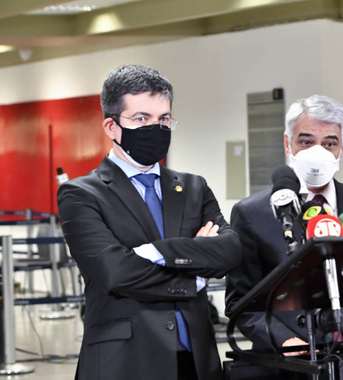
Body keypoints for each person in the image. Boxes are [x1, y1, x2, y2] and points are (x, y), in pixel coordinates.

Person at [57, 65, 241, 380]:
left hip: (197, 362)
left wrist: (156, 252)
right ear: (112, 127)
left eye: (164, 119)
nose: (156, 128)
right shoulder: (80, 194)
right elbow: (116, 271)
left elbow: (230, 251)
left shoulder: (193, 187)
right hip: (125, 362)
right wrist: (193, 275)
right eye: (141, 119)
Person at [225, 95, 343, 378]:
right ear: (288, 144)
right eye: (306, 142)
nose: (318, 152)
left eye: (330, 143)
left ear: (341, 148)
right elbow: (240, 304)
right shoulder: (251, 213)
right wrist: (283, 339)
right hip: (289, 364)